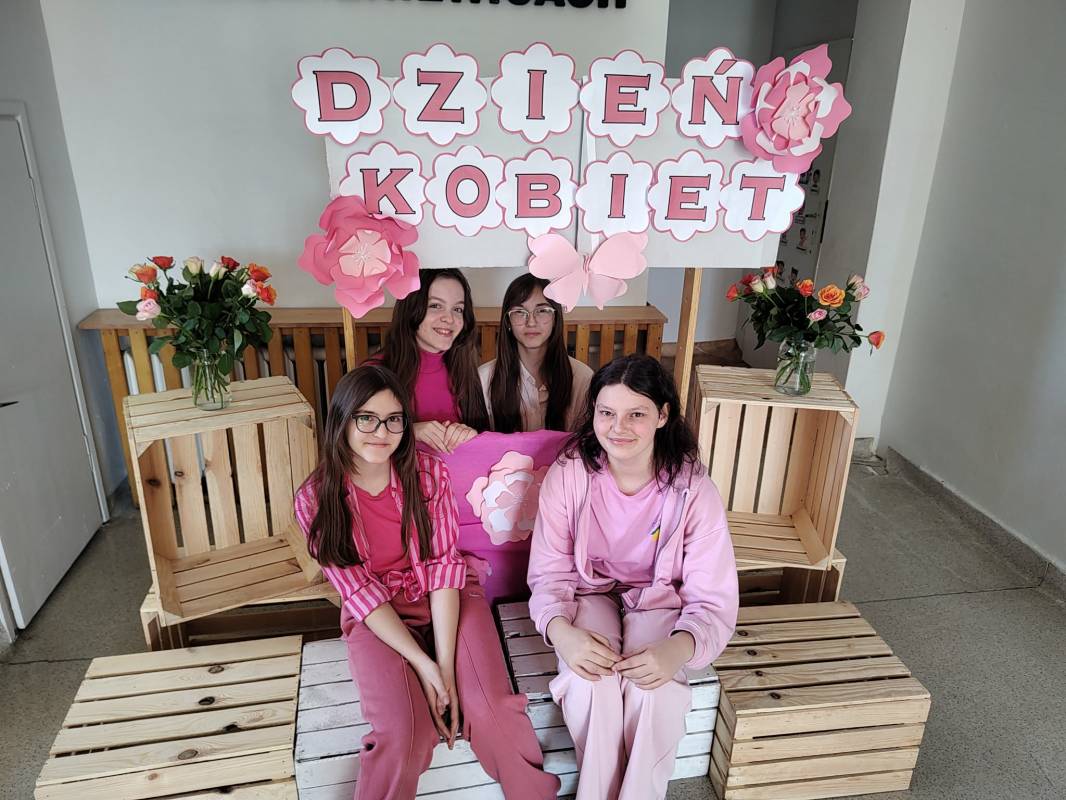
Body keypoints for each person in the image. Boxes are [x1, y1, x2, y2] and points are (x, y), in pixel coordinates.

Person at [295, 365, 560, 800]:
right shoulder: (314, 499)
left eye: (393, 419)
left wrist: (447, 669)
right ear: (342, 420)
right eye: (366, 418)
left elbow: (442, 568)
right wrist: (426, 666)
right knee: (405, 735)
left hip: (448, 594)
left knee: (490, 710)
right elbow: (358, 591)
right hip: (376, 615)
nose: (381, 432)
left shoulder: (428, 473)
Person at [527, 355, 738, 800]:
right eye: (607, 412)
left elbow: (713, 596)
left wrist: (678, 648)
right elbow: (549, 572)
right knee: (589, 683)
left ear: (662, 415)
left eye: (636, 414)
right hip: (587, 595)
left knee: (654, 693)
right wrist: (561, 632)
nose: (618, 427)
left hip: (659, 601)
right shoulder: (569, 475)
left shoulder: (693, 489)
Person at [376, 267, 489, 453]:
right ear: (412, 308)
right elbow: (358, 439)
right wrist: (410, 431)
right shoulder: (376, 371)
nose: (449, 318)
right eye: (436, 306)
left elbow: (484, 445)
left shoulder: (465, 370)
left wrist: (471, 436)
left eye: (458, 309)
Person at [479, 274, 593, 433]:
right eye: (520, 312)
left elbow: (587, 441)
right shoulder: (484, 379)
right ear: (508, 322)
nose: (531, 322)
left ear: (555, 318)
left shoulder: (582, 378)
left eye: (542, 311)